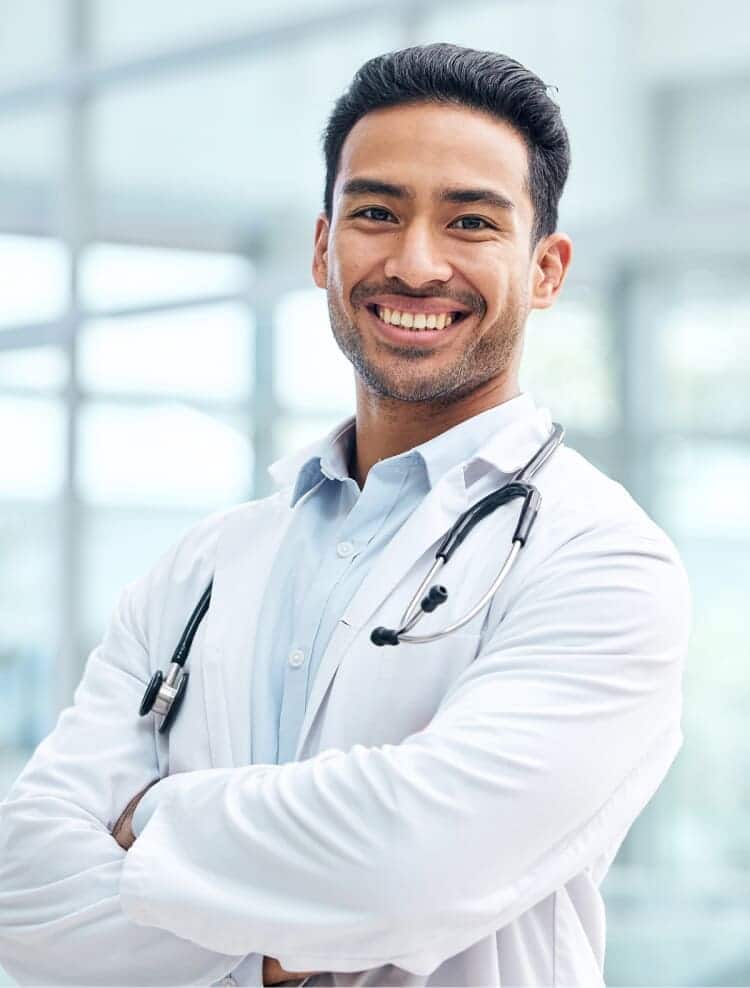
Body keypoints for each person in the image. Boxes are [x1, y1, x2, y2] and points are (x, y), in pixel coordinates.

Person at [0, 43, 690, 987]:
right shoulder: (203, 563)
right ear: (324, 246)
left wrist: (150, 818)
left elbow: (412, 870)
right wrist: (281, 934)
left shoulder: (604, 561)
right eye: (376, 212)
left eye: (471, 223)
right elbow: (23, 888)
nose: (415, 264)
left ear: (546, 269)